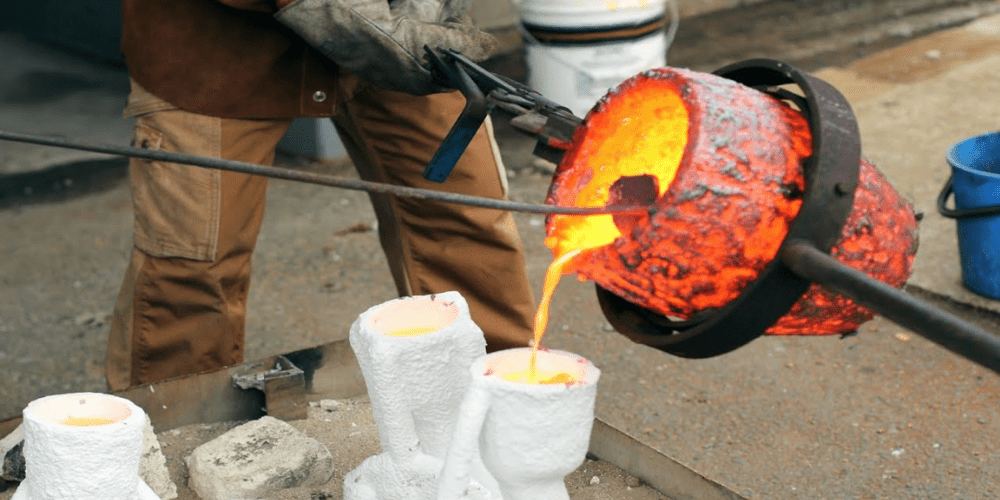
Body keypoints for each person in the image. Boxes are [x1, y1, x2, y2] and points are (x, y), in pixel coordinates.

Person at [106, 0, 536, 390]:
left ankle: (503, 399)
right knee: (192, 269)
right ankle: (165, 435)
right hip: (216, 47)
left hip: (397, 24)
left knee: (464, 219)